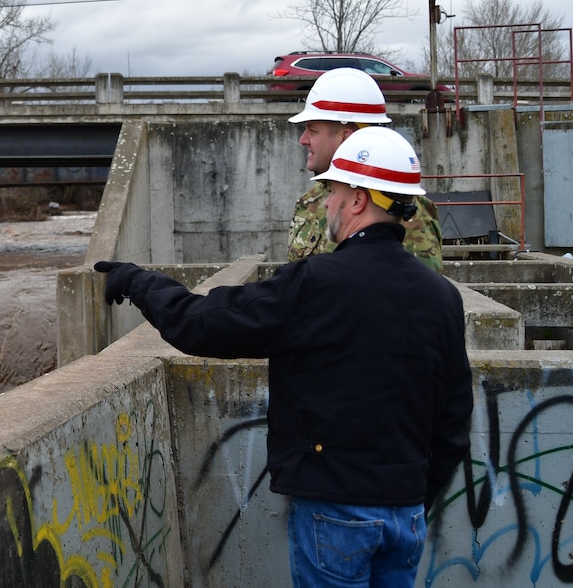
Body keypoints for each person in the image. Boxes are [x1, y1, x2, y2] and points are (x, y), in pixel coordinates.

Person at [95, 126, 472, 588]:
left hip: (335, 508)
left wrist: (138, 281)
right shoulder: (441, 296)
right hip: (407, 514)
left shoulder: (316, 281)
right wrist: (412, 495)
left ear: (357, 201)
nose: (327, 203)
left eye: (333, 190)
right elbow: (454, 422)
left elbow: (201, 324)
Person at [287, 67, 444, 272]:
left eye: (312, 130)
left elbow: (416, 296)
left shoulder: (401, 211)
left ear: (346, 137)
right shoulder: (309, 202)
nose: (303, 140)